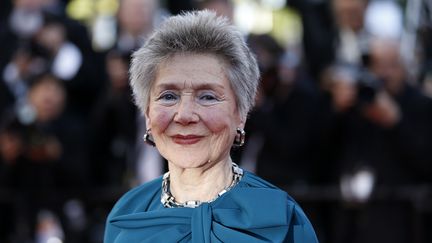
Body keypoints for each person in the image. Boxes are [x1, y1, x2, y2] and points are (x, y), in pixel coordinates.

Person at [104, 10, 318, 242]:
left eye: (207, 97)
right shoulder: (127, 213)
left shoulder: (282, 217)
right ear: (147, 114)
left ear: (241, 114)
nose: (184, 115)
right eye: (168, 96)